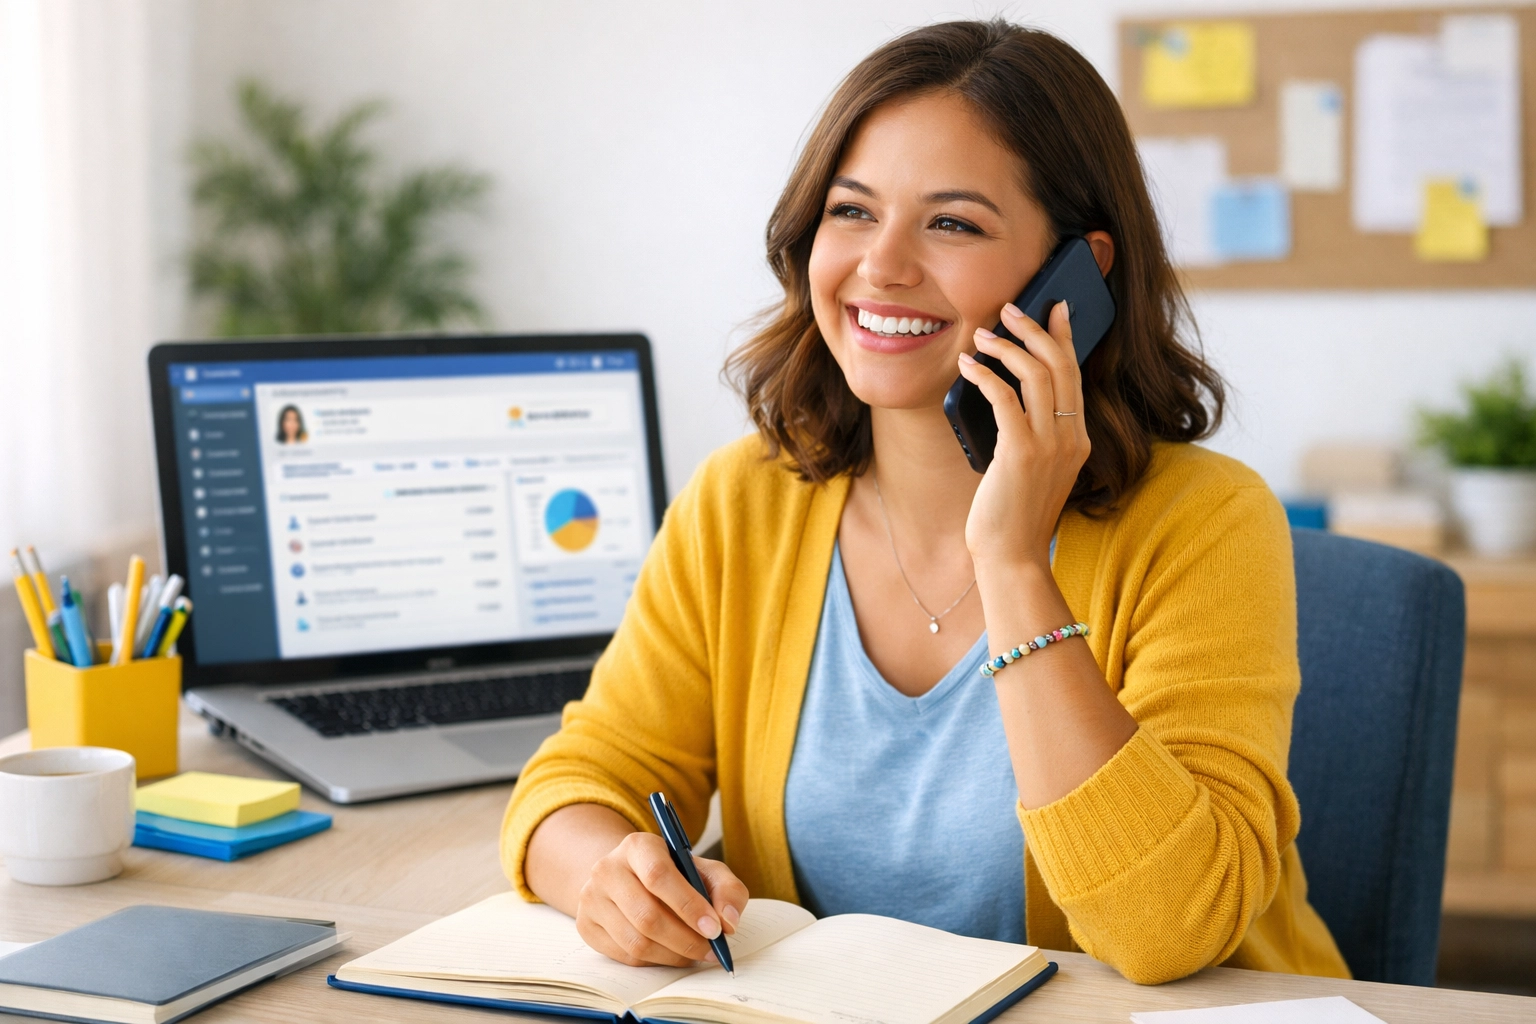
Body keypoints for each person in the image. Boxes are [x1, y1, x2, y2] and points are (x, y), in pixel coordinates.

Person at [501, 20, 1349, 985]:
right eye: (852, 211)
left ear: (1078, 273)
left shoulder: (1206, 522)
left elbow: (1169, 928)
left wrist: (1016, 563)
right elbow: (578, 781)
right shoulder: (744, 503)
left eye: (952, 222)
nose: (883, 265)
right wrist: (608, 878)